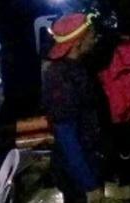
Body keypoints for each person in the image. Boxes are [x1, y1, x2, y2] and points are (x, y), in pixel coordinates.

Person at [41, 13, 104, 203]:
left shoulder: (75, 68)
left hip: (85, 160)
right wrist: (89, 183)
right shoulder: (61, 78)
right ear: (77, 43)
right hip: (76, 170)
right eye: (91, 35)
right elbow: (66, 135)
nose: (95, 39)